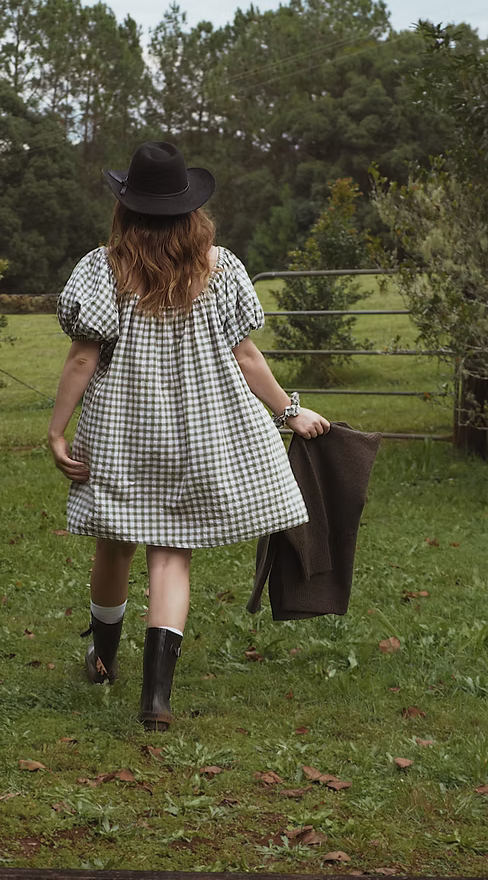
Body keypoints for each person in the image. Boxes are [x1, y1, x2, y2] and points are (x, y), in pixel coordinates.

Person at [48, 141, 330, 731]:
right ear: (189, 210)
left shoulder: (101, 267)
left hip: (123, 429)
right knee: (172, 553)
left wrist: (57, 431)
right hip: (202, 433)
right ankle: (156, 698)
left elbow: (81, 358)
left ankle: (102, 655)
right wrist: (291, 413)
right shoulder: (220, 267)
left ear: (127, 208)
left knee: (114, 540)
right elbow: (247, 355)